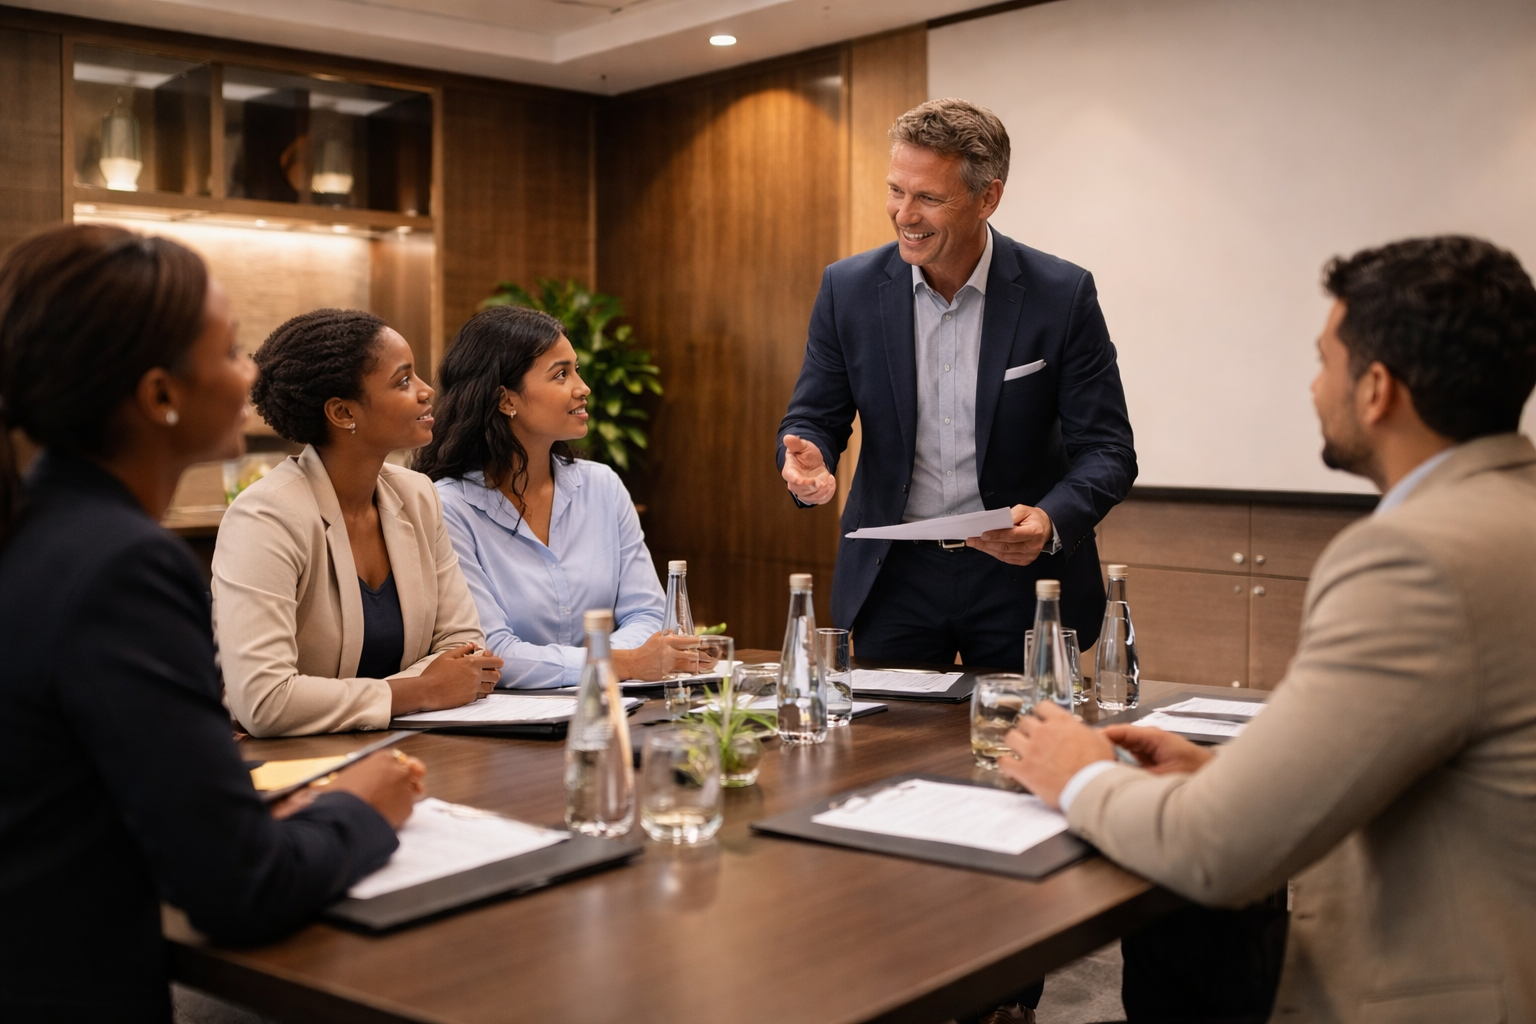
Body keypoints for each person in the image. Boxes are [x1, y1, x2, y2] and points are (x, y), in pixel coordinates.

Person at [1001, 236, 1536, 1023]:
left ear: (1378, 389)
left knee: (1182, 940)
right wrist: (1223, 773)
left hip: (1423, 989)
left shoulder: (1410, 558)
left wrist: (1077, 773)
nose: (1316, 386)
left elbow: (1214, 853)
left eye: (1327, 361)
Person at [0, 224, 421, 1022]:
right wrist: (360, 805)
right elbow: (240, 890)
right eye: (230, 351)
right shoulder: (123, 567)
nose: (253, 372)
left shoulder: (37, 530)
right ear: (161, 395)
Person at [777, 98, 1136, 668]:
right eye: (897, 190)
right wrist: (807, 456)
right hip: (892, 577)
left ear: (988, 197)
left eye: (929, 198)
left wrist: (1048, 522)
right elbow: (814, 417)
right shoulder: (847, 289)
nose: (904, 214)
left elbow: (1109, 451)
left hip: (1020, 578)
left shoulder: (1061, 295)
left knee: (1018, 751)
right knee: (881, 753)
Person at [213, 309, 503, 736]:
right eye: (403, 381)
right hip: (291, 765)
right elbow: (265, 700)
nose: (426, 392)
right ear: (342, 412)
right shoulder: (266, 516)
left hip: (407, 745)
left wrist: (426, 687)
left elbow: (464, 647)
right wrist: (419, 691)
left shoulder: (417, 494)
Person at [415, 305, 701, 687]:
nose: (582, 388)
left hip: (616, 707)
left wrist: (623, 663)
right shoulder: (447, 506)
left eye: (576, 369)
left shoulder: (602, 486)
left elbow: (648, 614)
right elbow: (491, 651)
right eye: (561, 374)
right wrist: (621, 663)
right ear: (506, 400)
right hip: (501, 732)